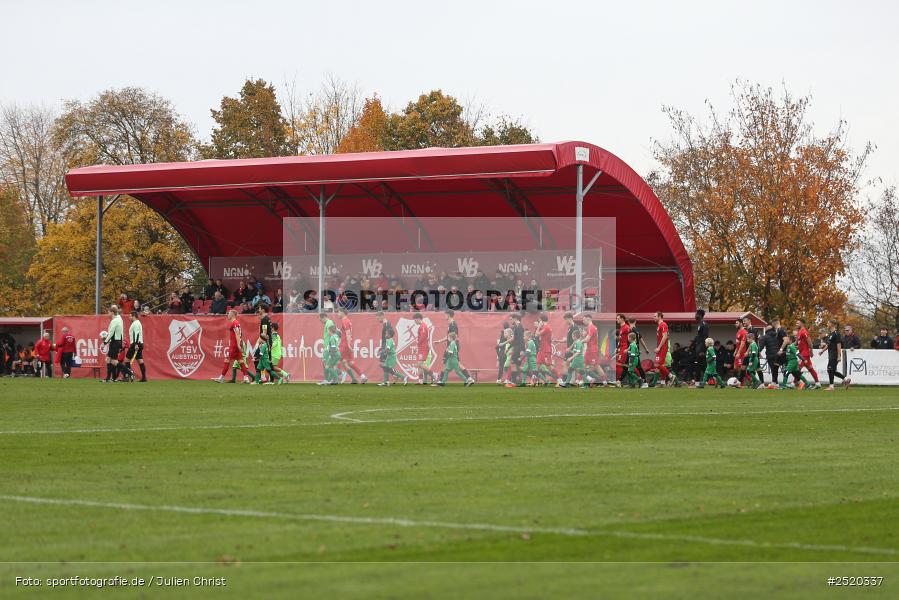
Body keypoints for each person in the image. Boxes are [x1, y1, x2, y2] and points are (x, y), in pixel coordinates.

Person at [433, 310, 475, 385]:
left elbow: (454, 337)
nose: (444, 316)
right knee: (456, 363)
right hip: (451, 346)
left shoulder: (453, 324)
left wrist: (451, 347)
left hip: (452, 346)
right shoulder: (450, 324)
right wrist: (439, 341)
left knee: (449, 363)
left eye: (445, 314)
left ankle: (441, 381)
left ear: (448, 315)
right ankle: (469, 378)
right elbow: (449, 336)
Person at [213, 309, 250, 383]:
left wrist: (238, 345)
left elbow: (237, 334)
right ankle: (246, 378)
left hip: (234, 345)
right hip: (236, 344)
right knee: (241, 361)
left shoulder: (234, 323)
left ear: (232, 315)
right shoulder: (236, 323)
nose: (227, 315)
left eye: (228, 313)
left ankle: (222, 378)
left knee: (227, 360)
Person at [336, 307, 367, 384]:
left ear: (343, 312)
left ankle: (341, 375)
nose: (338, 314)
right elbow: (346, 333)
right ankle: (362, 376)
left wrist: (349, 345)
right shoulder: (347, 321)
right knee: (350, 363)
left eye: (338, 312)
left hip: (345, 344)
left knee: (336, 359)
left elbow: (348, 333)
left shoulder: (345, 321)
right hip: (347, 344)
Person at [651, 312, 681, 387]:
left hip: (663, 348)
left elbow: (664, 337)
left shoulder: (663, 324)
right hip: (661, 348)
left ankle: (671, 376)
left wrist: (659, 347)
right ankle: (663, 383)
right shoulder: (659, 326)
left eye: (655, 316)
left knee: (657, 364)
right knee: (661, 366)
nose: (653, 317)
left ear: (660, 317)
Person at [819, 319, 850, 390]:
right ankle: (846, 379)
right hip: (831, 354)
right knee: (831, 370)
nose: (827, 324)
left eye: (828, 323)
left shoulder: (836, 334)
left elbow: (839, 345)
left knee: (830, 369)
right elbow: (828, 344)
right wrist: (822, 351)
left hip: (834, 354)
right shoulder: (830, 334)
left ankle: (831, 386)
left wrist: (839, 356)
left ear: (832, 324)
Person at [535, 314, 562, 385]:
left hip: (546, 350)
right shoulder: (545, 327)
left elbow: (536, 334)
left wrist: (538, 326)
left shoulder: (546, 327)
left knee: (549, 367)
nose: (538, 321)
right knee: (537, 366)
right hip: (541, 350)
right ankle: (535, 382)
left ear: (541, 320)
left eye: (539, 320)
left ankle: (559, 379)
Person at [795, 319, 821, 389]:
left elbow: (809, 342)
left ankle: (794, 383)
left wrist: (811, 351)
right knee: (810, 369)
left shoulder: (804, 332)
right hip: (801, 353)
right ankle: (817, 383)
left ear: (802, 323)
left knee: (797, 368)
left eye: (798, 323)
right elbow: (798, 343)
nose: (796, 324)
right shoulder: (799, 332)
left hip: (805, 354)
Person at [102, 305, 124, 383]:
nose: (107, 313)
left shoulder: (115, 320)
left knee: (113, 361)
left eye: (108, 312)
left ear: (112, 312)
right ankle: (112, 378)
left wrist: (104, 343)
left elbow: (111, 333)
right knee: (109, 360)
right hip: (115, 341)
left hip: (115, 342)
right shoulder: (118, 319)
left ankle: (128, 372)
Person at [123, 311, 146, 382]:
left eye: (130, 316)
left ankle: (128, 376)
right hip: (140, 343)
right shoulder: (137, 323)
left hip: (135, 344)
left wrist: (136, 344)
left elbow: (137, 334)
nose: (129, 318)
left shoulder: (135, 324)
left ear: (133, 316)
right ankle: (144, 377)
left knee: (126, 360)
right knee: (140, 361)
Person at [413, 313, 435, 385]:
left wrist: (417, 345)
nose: (414, 321)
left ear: (418, 318)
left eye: (415, 320)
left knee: (419, 364)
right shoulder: (422, 326)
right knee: (419, 364)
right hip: (421, 347)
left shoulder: (423, 326)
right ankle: (420, 380)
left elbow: (423, 337)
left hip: (423, 347)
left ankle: (434, 374)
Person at [693, 309, 710, 382]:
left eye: (696, 314)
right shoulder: (700, 324)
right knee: (702, 366)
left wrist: (703, 350)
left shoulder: (704, 324)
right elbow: (699, 337)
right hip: (698, 348)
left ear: (700, 315)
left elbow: (705, 337)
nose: (695, 316)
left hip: (701, 349)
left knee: (698, 365)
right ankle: (711, 380)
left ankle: (697, 383)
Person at [732, 319, 747, 387]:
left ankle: (742, 383)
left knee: (741, 368)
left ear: (741, 323)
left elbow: (742, 343)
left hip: (742, 353)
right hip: (738, 352)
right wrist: (735, 351)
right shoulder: (738, 331)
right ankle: (735, 383)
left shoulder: (744, 332)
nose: (735, 324)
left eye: (737, 323)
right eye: (735, 323)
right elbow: (737, 343)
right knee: (735, 368)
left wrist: (738, 352)